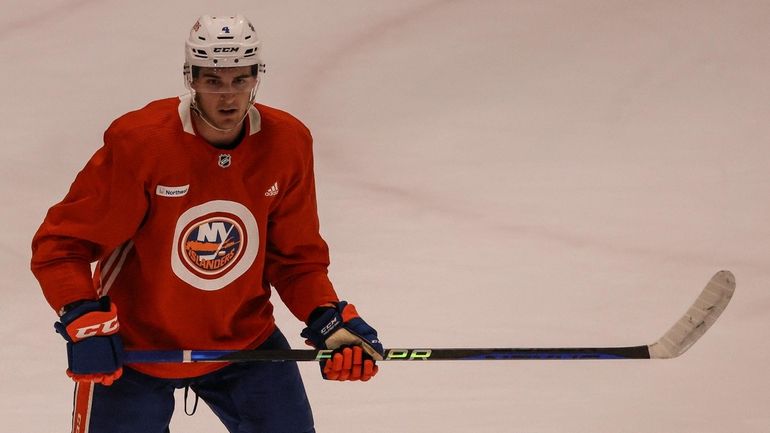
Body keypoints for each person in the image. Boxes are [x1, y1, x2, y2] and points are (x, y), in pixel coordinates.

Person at [30, 14, 383, 433]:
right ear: (191, 78)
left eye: (240, 80)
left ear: (256, 77)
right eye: (213, 81)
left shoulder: (287, 143)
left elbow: (295, 259)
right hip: (136, 350)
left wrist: (328, 319)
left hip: (244, 345)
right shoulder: (142, 142)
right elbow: (61, 246)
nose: (228, 97)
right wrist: (83, 316)